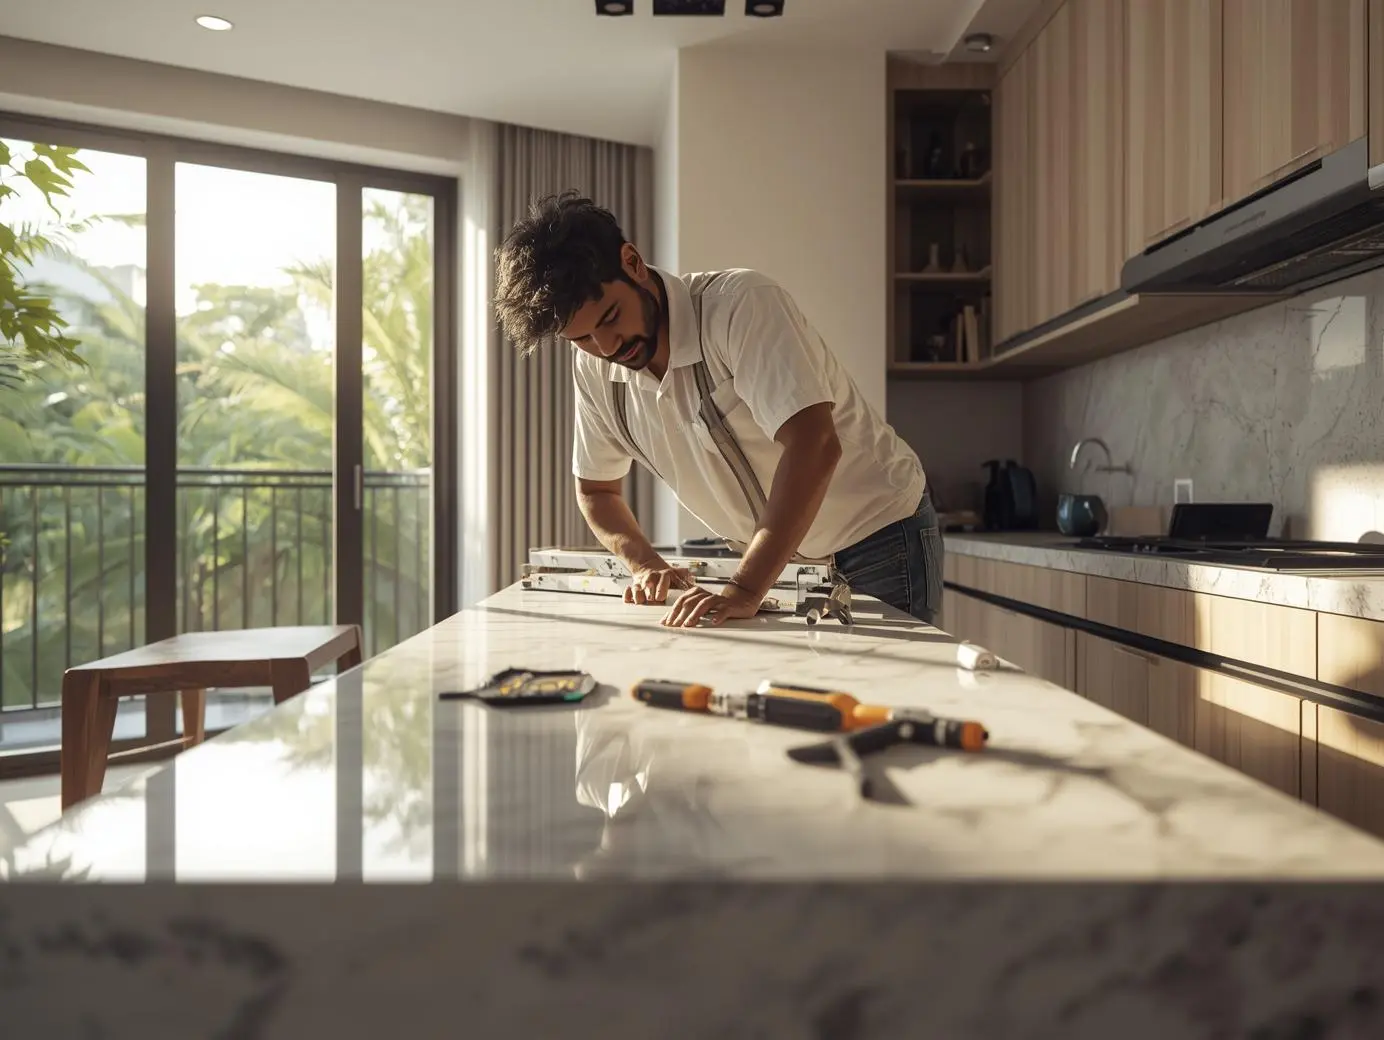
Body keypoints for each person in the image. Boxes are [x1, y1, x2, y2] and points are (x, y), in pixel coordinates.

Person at [493, 190, 943, 629]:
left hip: (879, 538)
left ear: (632, 263)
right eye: (582, 338)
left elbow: (815, 445)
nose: (607, 347)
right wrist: (645, 565)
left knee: (887, 698)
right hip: (776, 561)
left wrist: (747, 589)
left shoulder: (741, 305)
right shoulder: (592, 367)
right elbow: (596, 489)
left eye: (610, 317)